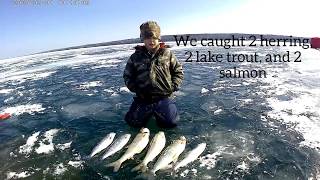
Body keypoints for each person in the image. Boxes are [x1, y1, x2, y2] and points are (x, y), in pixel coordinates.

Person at [123, 21, 184, 128]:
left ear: (158, 38)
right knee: (132, 123)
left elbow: (178, 71)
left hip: (163, 97)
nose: (151, 41)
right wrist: (134, 88)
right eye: (148, 38)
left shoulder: (167, 54)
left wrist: (173, 86)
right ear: (143, 39)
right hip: (143, 98)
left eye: (154, 38)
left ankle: (162, 111)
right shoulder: (135, 57)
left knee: (170, 123)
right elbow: (127, 75)